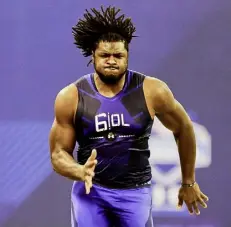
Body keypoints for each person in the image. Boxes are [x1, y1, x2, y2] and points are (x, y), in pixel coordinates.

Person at [49, 6, 209, 227]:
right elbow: (58, 153)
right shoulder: (72, 96)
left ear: (127, 57)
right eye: (105, 55)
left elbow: (184, 127)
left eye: (118, 56)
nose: (112, 61)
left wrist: (189, 182)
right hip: (91, 192)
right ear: (92, 56)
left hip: (135, 193)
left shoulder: (152, 91)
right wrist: (79, 170)